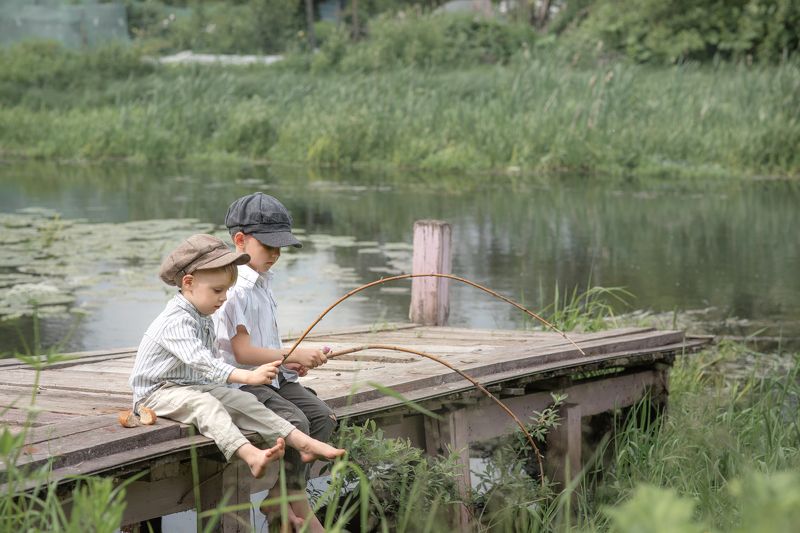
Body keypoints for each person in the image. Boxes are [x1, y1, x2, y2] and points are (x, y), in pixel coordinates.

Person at [128, 234, 345, 485]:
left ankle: (302, 443)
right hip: (156, 393)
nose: (223, 297)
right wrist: (248, 376)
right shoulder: (176, 320)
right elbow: (203, 362)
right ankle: (249, 454)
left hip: (190, 386)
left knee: (243, 400)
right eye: (217, 290)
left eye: (227, 290)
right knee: (206, 406)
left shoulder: (202, 316)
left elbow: (208, 368)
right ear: (188, 283)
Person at [213, 193, 337, 532]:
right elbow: (243, 353)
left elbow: (264, 346)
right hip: (243, 381)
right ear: (240, 240)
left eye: (281, 247)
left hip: (272, 376)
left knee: (322, 418)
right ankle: (297, 502)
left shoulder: (262, 283)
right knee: (296, 421)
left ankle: (282, 494)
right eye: (269, 246)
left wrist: (287, 364)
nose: (276, 254)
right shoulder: (234, 288)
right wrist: (291, 355)